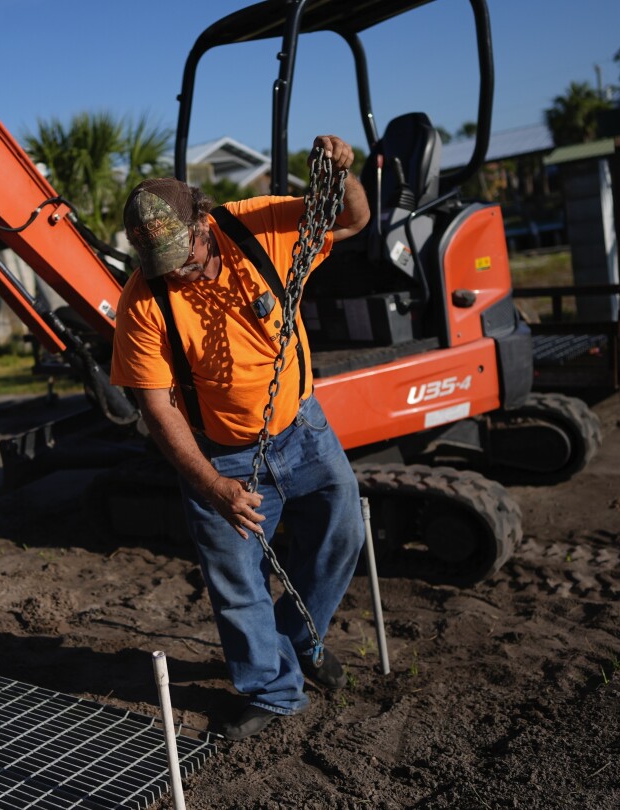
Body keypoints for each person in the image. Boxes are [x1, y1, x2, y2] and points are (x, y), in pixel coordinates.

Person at [110, 135, 370, 741]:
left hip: (302, 428)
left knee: (342, 534)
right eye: (165, 265)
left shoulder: (259, 225)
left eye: (187, 257)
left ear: (204, 221)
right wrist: (214, 484)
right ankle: (275, 692)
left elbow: (352, 217)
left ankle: (299, 640)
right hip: (222, 452)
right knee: (235, 580)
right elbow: (157, 407)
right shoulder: (144, 303)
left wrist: (343, 173)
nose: (181, 272)